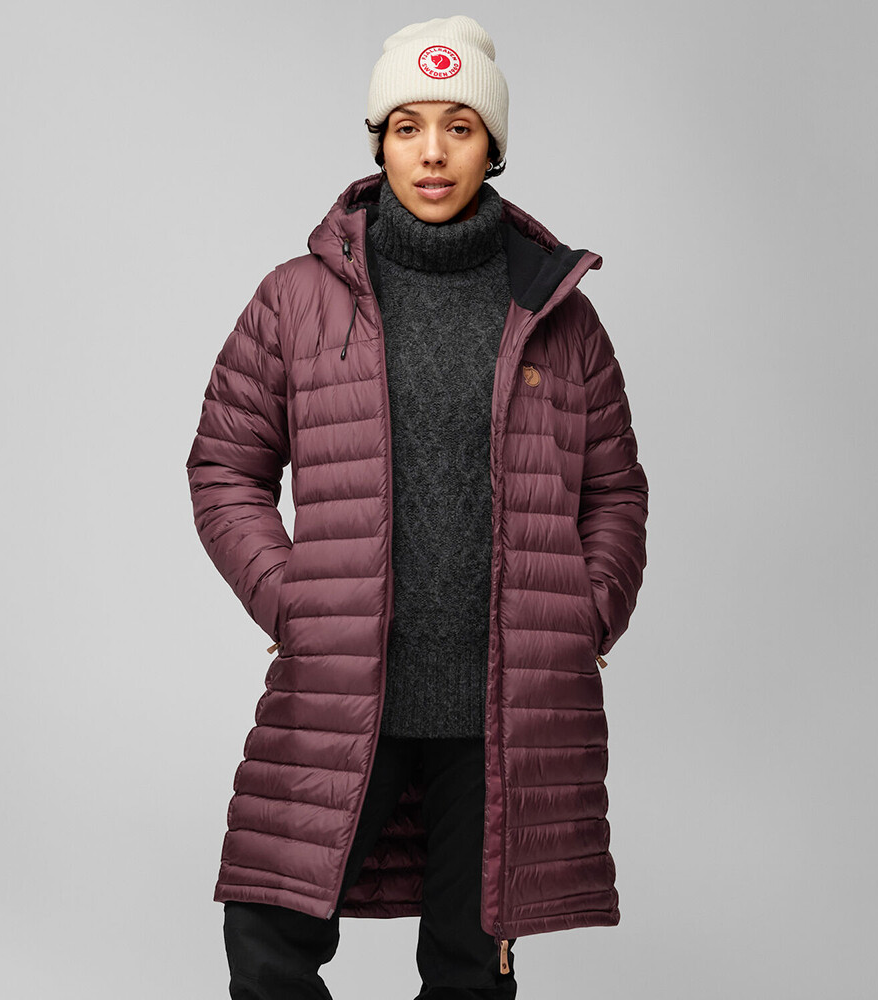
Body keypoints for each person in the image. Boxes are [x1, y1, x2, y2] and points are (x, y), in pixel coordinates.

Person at [186, 14, 649, 1000]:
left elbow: (613, 488)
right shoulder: (296, 300)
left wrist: (587, 612)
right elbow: (225, 466)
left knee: (469, 975)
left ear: (492, 145)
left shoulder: (558, 314)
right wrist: (293, 601)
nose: (432, 151)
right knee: (268, 948)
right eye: (406, 126)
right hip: (344, 685)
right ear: (379, 142)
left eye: (458, 126)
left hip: (501, 710)